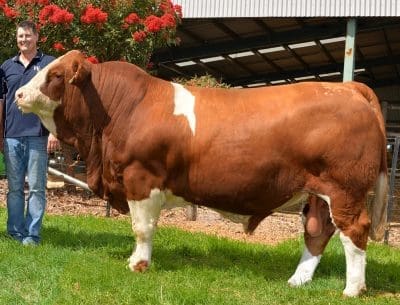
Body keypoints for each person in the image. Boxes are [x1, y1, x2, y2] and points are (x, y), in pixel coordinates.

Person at [0, 20, 60, 246]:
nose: (23, 40)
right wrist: (0, 134)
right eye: (20, 36)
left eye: (27, 36)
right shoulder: (6, 67)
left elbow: (58, 101)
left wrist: (54, 132)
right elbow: (2, 103)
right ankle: (15, 231)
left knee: (36, 187)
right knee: (14, 188)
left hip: (38, 135)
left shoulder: (48, 64)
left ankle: (32, 235)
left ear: (37, 37)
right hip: (12, 136)